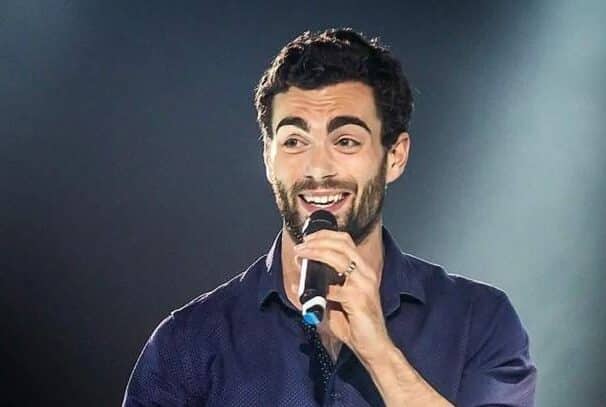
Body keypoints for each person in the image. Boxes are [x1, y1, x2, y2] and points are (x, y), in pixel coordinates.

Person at [123, 28, 537, 406]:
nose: (317, 169)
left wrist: (378, 352)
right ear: (268, 158)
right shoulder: (189, 342)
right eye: (294, 141)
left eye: (346, 141)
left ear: (395, 156)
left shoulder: (480, 320)